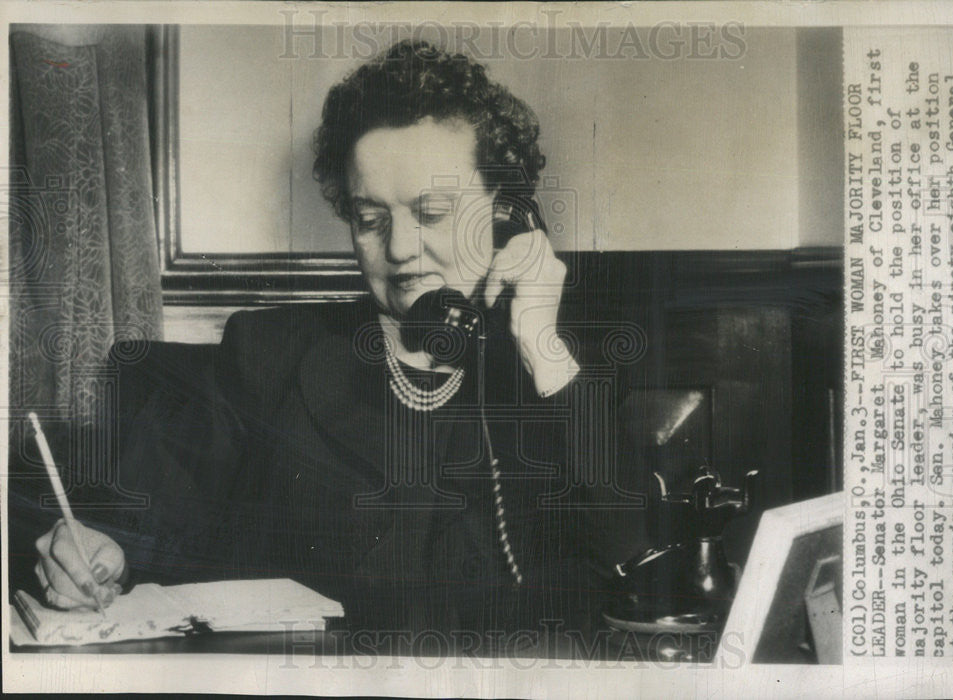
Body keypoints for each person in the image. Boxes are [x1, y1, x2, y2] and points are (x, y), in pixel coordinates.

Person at [31, 40, 652, 642]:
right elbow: (147, 524)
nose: (401, 248)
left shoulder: (557, 369)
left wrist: (540, 344)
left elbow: (636, 561)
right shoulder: (268, 352)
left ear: (506, 212)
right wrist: (99, 548)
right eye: (370, 219)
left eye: (432, 212)